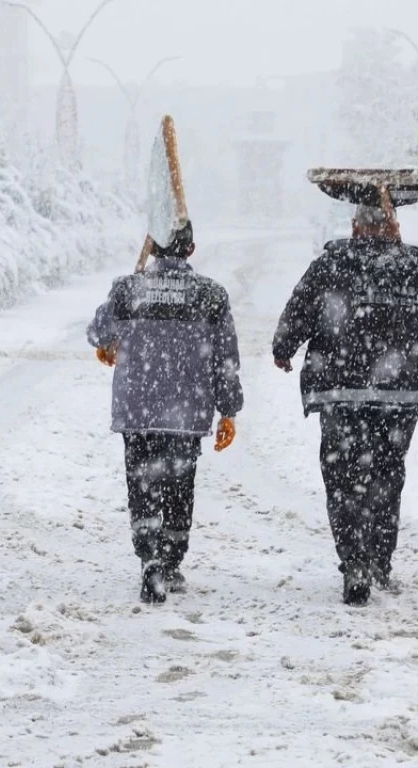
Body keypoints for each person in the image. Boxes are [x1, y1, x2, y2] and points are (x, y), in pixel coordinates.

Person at [272, 204, 418, 606]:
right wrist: (403, 254)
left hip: (340, 390)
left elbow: (299, 310)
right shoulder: (410, 264)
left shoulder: (331, 264)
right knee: (387, 475)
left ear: (354, 227)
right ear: (393, 226)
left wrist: (283, 348)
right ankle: (379, 560)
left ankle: (354, 561)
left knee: (342, 480)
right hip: (397, 394)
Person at [88, 221, 244, 604]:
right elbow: (225, 359)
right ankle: (171, 560)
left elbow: (96, 331)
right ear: (191, 249)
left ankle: (149, 558)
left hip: (138, 409)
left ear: (152, 247)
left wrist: (117, 318)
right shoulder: (211, 294)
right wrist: (228, 410)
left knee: (142, 485)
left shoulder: (128, 288)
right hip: (186, 413)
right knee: (179, 485)